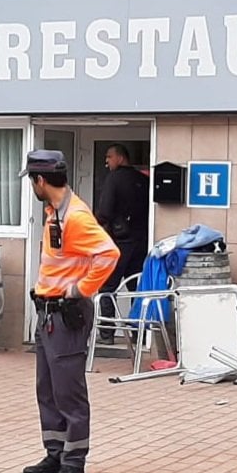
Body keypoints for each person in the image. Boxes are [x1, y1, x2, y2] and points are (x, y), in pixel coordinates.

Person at [20, 149, 120, 473]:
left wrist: (80, 290)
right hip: (48, 313)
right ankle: (55, 453)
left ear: (40, 180)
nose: (32, 187)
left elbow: (109, 254)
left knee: (68, 392)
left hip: (65, 315)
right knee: (47, 389)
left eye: (31, 181)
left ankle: (74, 462)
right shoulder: (54, 213)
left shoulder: (75, 216)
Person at [94, 143, 150, 341]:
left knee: (107, 287)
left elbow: (105, 211)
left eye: (109, 157)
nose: (107, 161)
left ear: (120, 158)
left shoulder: (114, 179)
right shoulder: (142, 181)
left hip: (119, 242)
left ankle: (107, 332)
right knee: (136, 287)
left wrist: (97, 227)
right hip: (141, 241)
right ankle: (138, 333)